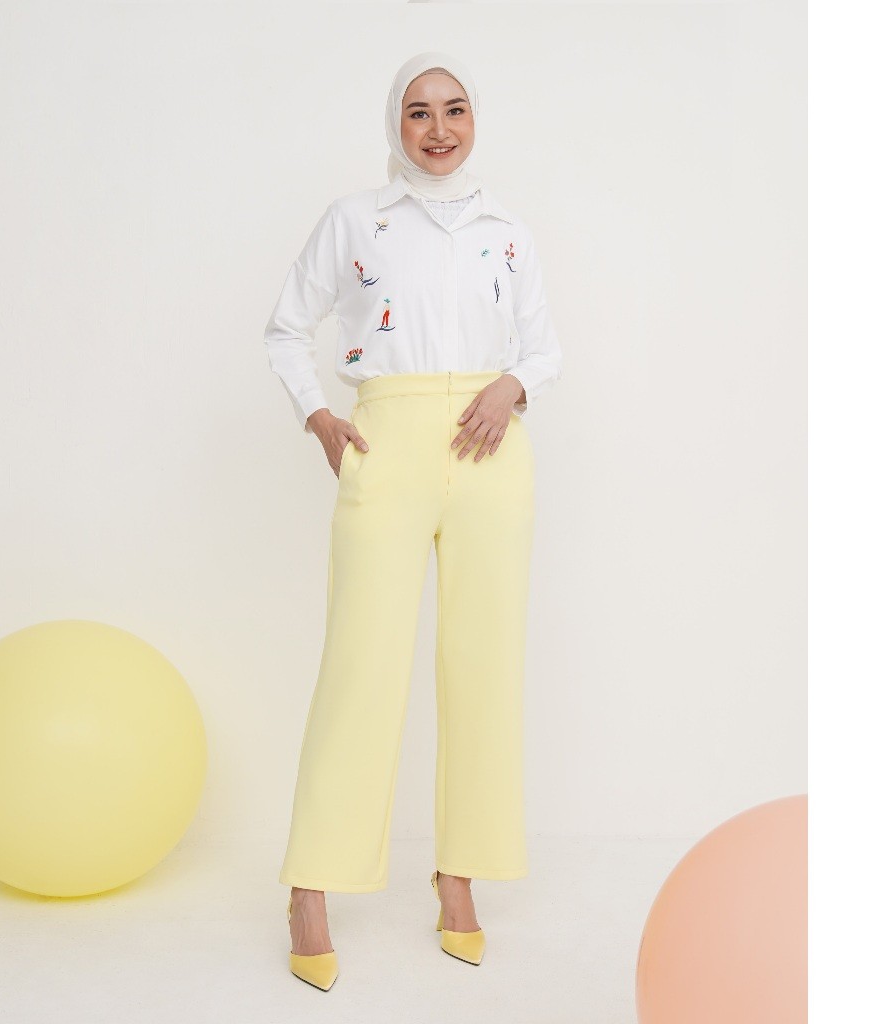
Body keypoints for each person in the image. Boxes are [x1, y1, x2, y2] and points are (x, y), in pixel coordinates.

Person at [264, 50, 563, 991]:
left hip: (490, 448)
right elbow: (287, 327)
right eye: (420, 111)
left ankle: (459, 876)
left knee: (484, 664)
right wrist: (319, 416)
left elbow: (544, 347)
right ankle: (311, 886)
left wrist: (511, 386)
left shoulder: (507, 229)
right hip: (385, 439)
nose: (439, 129)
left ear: (475, 119)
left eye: (455, 109)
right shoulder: (357, 219)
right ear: (395, 123)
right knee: (363, 662)